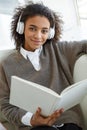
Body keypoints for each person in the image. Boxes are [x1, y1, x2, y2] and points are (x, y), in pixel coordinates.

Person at [0, 1, 86, 130]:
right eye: (32, 28)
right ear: (21, 28)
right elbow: (5, 105)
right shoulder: (6, 65)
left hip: (68, 121)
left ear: (50, 33)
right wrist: (31, 120)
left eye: (44, 31)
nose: (38, 36)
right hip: (35, 126)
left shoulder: (59, 49)